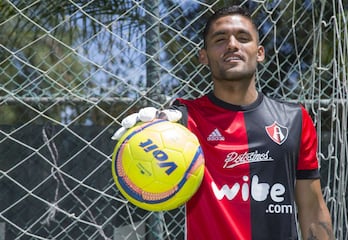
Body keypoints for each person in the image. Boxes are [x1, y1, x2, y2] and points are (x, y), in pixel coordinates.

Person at [113, 5, 334, 240]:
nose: (232, 44)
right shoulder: (182, 121)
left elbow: (312, 208)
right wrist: (142, 136)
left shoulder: (295, 119)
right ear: (203, 56)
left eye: (242, 37)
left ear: (260, 52)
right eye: (220, 39)